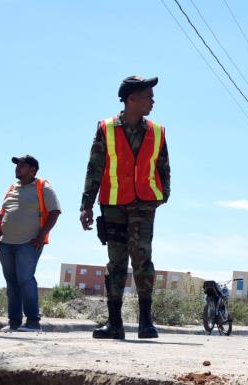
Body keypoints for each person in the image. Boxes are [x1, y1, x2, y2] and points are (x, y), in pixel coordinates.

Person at [79, 75, 170, 340]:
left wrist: (163, 195)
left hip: (143, 204)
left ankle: (145, 322)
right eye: (147, 96)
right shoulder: (106, 128)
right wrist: (86, 205)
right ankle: (115, 323)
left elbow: (164, 166)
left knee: (142, 259)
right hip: (113, 204)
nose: (152, 101)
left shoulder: (156, 131)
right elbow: (94, 168)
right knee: (116, 262)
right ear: (131, 99)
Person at [0, 155, 60, 332]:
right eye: (17, 165)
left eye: (22, 165)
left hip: (28, 243)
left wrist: (41, 236)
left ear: (33, 170)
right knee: (11, 282)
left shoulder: (43, 187)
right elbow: (2, 214)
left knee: (25, 279)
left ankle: (33, 322)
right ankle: (14, 322)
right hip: (6, 243)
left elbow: (55, 212)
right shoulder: (12, 188)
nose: (18, 168)